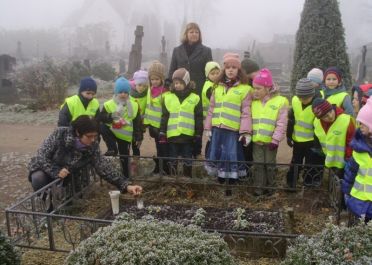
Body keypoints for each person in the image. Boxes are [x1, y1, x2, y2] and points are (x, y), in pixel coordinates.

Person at [28, 115, 142, 196]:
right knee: (38, 178)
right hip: (46, 169)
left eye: (95, 136)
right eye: (89, 136)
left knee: (73, 199)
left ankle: (63, 198)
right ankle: (48, 206)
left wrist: (126, 185)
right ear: (78, 132)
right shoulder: (60, 134)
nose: (93, 140)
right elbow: (41, 156)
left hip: (70, 174)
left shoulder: (92, 145)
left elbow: (103, 166)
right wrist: (56, 170)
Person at [204, 53, 252, 185]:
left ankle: (231, 181)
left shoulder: (245, 89)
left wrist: (246, 132)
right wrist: (207, 127)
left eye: (234, 67)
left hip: (232, 130)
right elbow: (211, 109)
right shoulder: (217, 87)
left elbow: (246, 112)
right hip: (217, 128)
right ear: (224, 69)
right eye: (228, 67)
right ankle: (220, 178)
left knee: (230, 155)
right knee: (218, 154)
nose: (230, 70)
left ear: (239, 70)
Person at [168, 22, 212, 158]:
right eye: (191, 32)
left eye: (196, 32)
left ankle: (196, 151)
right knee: (181, 120)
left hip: (198, 92)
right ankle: (180, 151)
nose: (194, 34)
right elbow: (172, 70)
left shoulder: (206, 51)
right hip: (180, 92)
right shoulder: (177, 50)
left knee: (197, 121)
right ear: (186, 34)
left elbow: (209, 72)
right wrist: (169, 86)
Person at [251, 68, 289, 196]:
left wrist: (276, 139)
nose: (255, 91)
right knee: (258, 165)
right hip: (256, 141)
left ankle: (270, 189)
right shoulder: (253, 102)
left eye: (258, 88)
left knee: (270, 165)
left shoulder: (280, 101)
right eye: (254, 88)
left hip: (270, 142)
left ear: (267, 88)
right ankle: (258, 189)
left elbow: (281, 123)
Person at [159, 68, 203, 178]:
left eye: (180, 83)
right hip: (173, 135)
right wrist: (162, 131)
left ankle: (187, 179)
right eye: (175, 83)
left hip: (187, 136)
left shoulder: (195, 98)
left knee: (188, 158)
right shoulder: (168, 97)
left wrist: (198, 133)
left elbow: (198, 117)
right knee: (172, 158)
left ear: (186, 82)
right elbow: (165, 116)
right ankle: (173, 178)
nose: (177, 85)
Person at [99, 77, 143, 177]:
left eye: (125, 92)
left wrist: (138, 135)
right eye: (120, 92)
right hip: (113, 131)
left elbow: (137, 122)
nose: (123, 94)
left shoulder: (134, 104)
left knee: (124, 157)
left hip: (125, 136)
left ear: (128, 92)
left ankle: (126, 178)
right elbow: (101, 117)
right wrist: (111, 116)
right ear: (116, 92)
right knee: (101, 126)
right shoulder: (108, 104)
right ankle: (112, 148)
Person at [286, 78, 322, 188]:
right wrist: (288, 135)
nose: (303, 100)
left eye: (306, 98)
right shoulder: (295, 100)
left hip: (312, 141)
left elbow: (320, 125)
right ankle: (291, 182)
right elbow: (291, 119)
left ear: (312, 94)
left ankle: (308, 182)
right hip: (297, 140)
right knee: (295, 162)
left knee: (310, 163)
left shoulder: (318, 104)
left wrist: (318, 143)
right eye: (300, 97)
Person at [342, 98, 372, 222]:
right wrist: (346, 191)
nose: (360, 126)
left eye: (363, 123)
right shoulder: (359, 148)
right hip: (359, 201)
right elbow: (351, 172)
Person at [312, 98, 355, 180]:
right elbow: (319, 138)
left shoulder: (346, 120)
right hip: (330, 160)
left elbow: (351, 142)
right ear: (320, 118)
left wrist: (348, 158)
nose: (330, 116)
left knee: (344, 184)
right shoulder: (316, 123)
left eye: (331, 111)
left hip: (345, 162)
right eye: (325, 116)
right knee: (334, 183)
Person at [143, 61, 170, 175]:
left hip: (162, 128)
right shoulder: (150, 90)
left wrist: (162, 128)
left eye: (157, 79)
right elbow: (149, 108)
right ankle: (160, 167)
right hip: (153, 126)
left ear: (162, 79)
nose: (154, 82)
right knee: (158, 148)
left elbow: (166, 112)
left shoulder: (165, 93)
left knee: (164, 149)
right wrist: (146, 123)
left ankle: (165, 169)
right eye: (152, 79)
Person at [241, 58, 260, 169]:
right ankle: (246, 170)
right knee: (246, 148)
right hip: (246, 123)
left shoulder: (257, 84)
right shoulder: (246, 87)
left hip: (257, 122)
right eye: (254, 74)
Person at [201, 61, 221, 158]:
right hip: (211, 118)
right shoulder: (210, 86)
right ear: (207, 75)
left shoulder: (214, 84)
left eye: (218, 73)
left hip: (212, 117)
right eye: (212, 74)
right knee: (212, 139)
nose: (216, 76)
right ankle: (208, 156)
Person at [130, 70, 149, 156]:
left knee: (136, 144)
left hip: (140, 124)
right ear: (135, 84)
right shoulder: (129, 94)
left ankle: (136, 161)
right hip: (129, 123)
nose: (141, 88)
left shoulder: (148, 95)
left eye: (144, 86)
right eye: (139, 85)